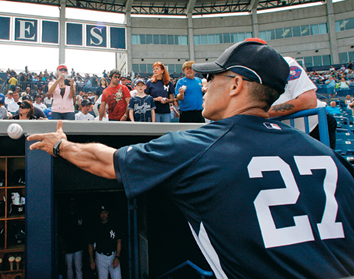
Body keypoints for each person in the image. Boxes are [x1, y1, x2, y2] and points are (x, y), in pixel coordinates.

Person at [27, 40, 354, 278]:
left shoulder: (199, 146)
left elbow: (108, 163)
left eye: (212, 78)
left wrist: (61, 146)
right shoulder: (329, 156)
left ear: (236, 85)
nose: (203, 83)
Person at [268, 56, 337, 149]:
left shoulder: (283, 63)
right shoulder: (244, 77)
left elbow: (308, 101)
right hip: (285, 135)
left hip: (314, 126)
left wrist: (261, 112)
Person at [88, 205, 122, 279]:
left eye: (105, 212)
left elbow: (118, 240)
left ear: (108, 213)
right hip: (101, 257)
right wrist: (92, 260)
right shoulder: (95, 226)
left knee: (117, 277)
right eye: (102, 213)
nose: (104, 215)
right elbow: (90, 244)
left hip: (113, 255)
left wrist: (117, 257)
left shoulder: (113, 224)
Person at [60, 198, 86, 279]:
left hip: (78, 247)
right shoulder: (65, 217)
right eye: (70, 203)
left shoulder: (79, 215)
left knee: (78, 268)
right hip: (68, 247)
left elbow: (84, 231)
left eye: (73, 202)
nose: (72, 205)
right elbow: (60, 234)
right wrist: (62, 247)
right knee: (69, 268)